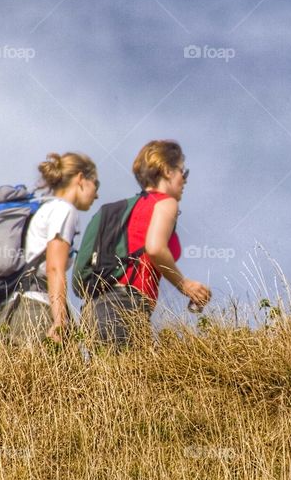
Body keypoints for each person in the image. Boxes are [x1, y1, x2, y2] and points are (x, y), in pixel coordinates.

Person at [87, 139, 211, 346]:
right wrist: (185, 285)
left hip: (95, 307)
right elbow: (154, 248)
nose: (185, 179)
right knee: (129, 376)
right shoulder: (165, 203)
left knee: (108, 376)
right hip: (126, 305)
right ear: (167, 171)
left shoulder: (131, 207)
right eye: (183, 171)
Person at [0, 152, 99, 345]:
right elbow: (54, 267)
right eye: (96, 184)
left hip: (10, 311)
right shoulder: (64, 210)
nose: (97, 194)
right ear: (81, 178)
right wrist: (60, 321)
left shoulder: (42, 208)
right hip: (35, 311)